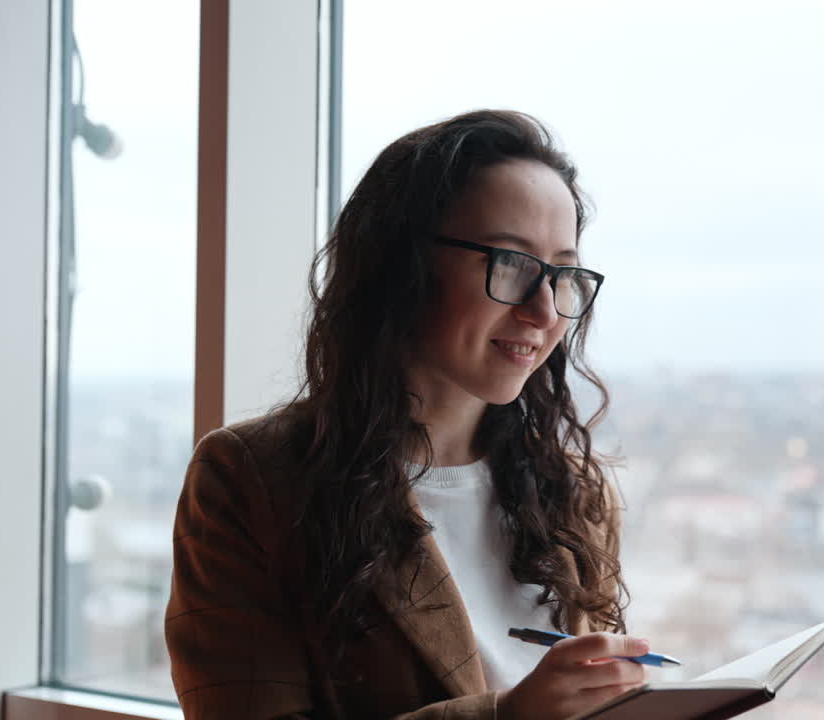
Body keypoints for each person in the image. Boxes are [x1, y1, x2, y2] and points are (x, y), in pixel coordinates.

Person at [165, 110, 650, 720]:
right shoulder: (253, 479)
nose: (545, 311)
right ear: (403, 267)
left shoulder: (574, 491)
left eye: (562, 274)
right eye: (512, 264)